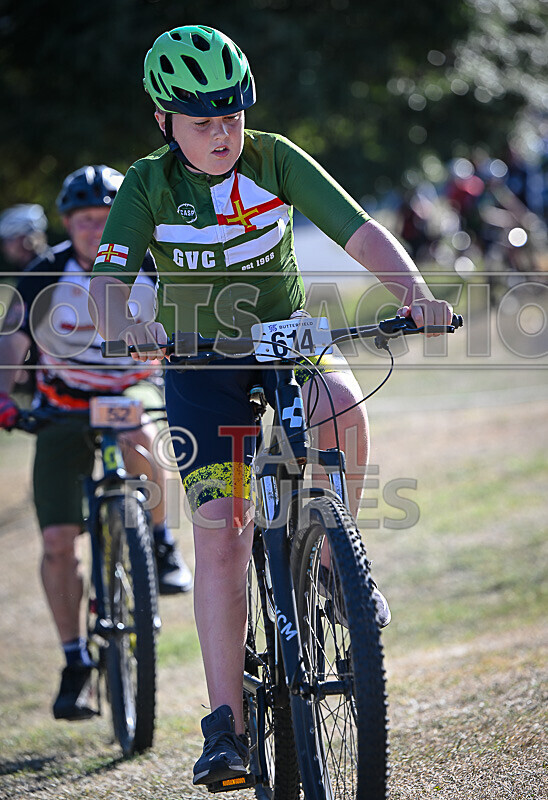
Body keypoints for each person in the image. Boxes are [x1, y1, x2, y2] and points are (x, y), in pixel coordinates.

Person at [89, 26, 453, 786]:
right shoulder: (146, 185)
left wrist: (413, 293)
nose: (222, 134)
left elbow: (359, 231)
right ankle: (226, 725)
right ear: (164, 122)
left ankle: (331, 558)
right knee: (222, 532)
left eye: (232, 115)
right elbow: (109, 282)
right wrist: (123, 325)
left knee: (343, 401)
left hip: (287, 342)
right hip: (198, 366)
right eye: (202, 121)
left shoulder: (276, 158)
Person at [0, 165, 192, 722]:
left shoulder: (152, 266)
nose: (94, 228)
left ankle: (158, 539)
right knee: (59, 542)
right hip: (64, 404)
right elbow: (12, 342)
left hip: (129, 389)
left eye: (106, 217)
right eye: (84, 220)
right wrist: (6, 399)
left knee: (136, 423)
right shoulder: (44, 273)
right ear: (67, 224)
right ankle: (74, 660)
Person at [0, 203, 49, 273]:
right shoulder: (26, 270)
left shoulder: (47, 270)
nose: (4, 247)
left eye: (9, 240)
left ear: (24, 239)